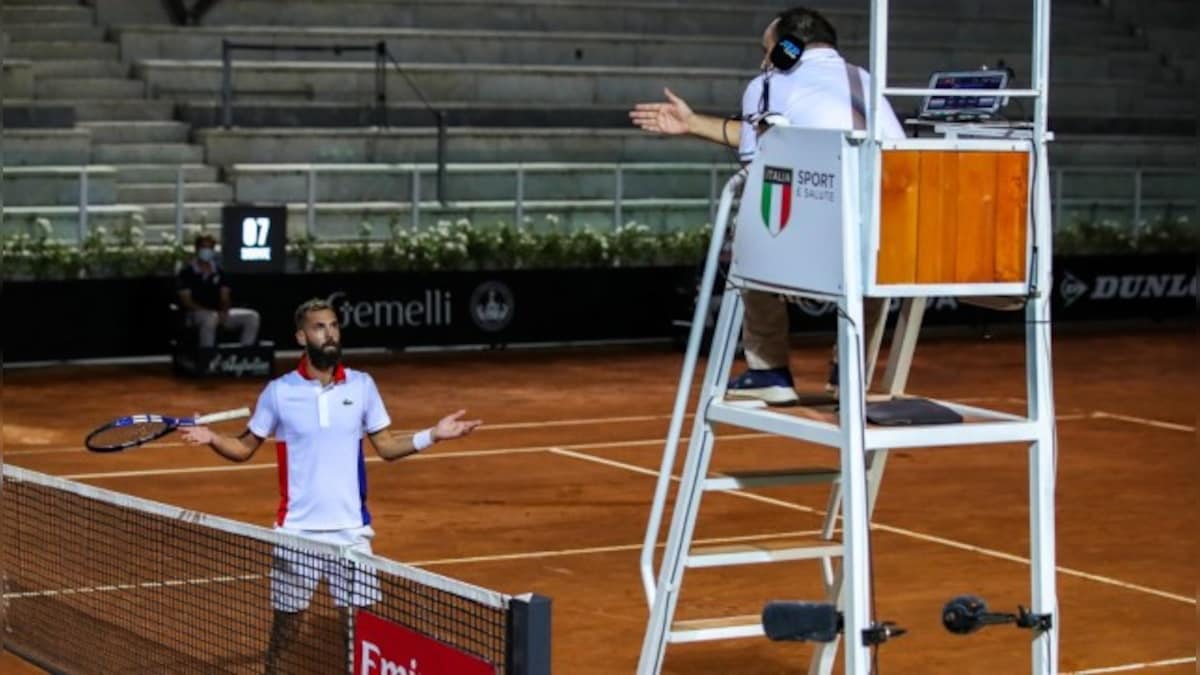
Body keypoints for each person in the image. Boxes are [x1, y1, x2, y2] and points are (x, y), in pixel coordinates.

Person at [180, 298, 483, 672]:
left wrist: (433, 435)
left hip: (351, 533)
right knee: (286, 630)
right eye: (320, 327)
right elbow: (243, 447)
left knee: (361, 631)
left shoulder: (363, 385)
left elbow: (386, 446)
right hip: (297, 533)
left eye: (334, 325)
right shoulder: (279, 391)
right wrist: (211, 437)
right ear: (301, 336)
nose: (330, 333)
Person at [630, 6, 904, 404]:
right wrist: (692, 123)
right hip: (877, 247)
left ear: (787, 49)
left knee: (751, 231)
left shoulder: (768, 83)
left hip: (805, 246)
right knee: (877, 246)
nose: (764, 59)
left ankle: (768, 369)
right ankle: (850, 372)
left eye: (768, 49)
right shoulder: (864, 81)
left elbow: (757, 161)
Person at [176, 233, 261, 348]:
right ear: (197, 249)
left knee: (252, 317)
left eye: (210, 248)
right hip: (196, 314)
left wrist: (224, 311)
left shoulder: (219, 272)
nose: (207, 251)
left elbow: (225, 297)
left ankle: (242, 356)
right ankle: (207, 359)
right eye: (204, 247)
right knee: (210, 318)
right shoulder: (186, 273)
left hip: (220, 313)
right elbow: (186, 301)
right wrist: (209, 312)